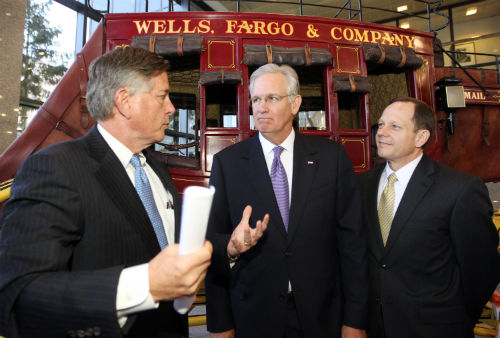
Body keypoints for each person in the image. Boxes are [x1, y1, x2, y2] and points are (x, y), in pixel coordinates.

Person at [0, 46, 213, 338]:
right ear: (124, 101)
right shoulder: (55, 168)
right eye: (162, 96)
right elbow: (21, 296)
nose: (171, 108)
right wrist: (144, 284)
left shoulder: (156, 169)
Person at [205, 63, 369, 337]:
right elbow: (213, 243)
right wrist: (221, 326)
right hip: (255, 318)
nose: (261, 108)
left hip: (323, 316)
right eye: (256, 99)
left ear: (295, 104)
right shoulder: (227, 164)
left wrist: (355, 320)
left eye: (272, 98)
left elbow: (353, 243)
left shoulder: (331, 158)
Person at [357, 97, 500, 338]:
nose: (381, 133)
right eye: (380, 125)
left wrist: (457, 318)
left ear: (421, 137)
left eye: (395, 126)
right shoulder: (361, 185)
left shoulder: (459, 189)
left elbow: (481, 268)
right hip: (374, 327)